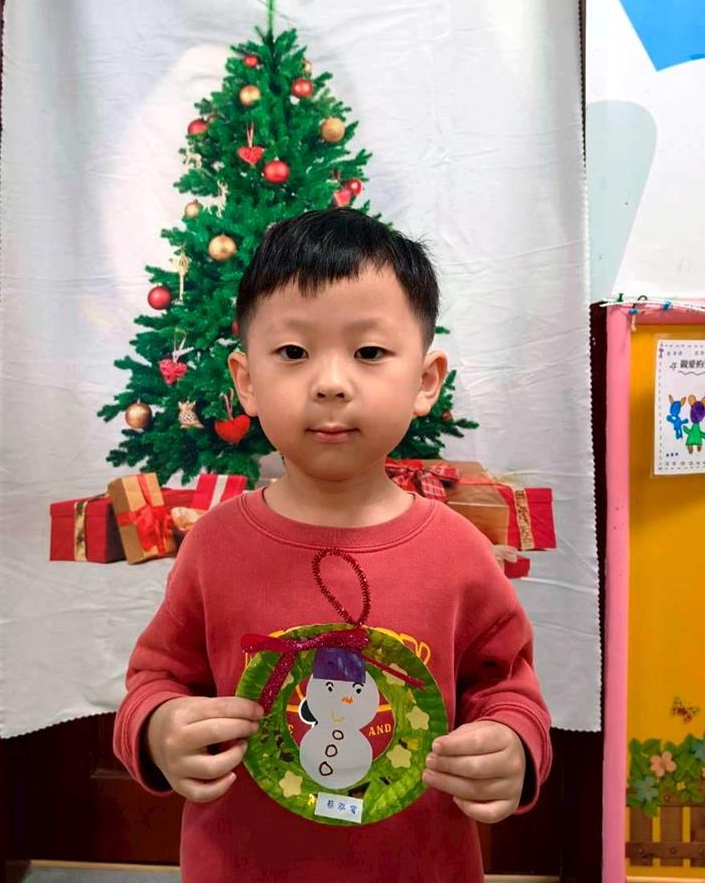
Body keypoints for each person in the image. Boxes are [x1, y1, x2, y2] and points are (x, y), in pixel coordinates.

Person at [113, 207, 552, 882]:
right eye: (293, 353)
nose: (330, 382)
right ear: (246, 381)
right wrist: (158, 728)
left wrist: (513, 747)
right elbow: (155, 679)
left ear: (426, 381)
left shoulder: (459, 553)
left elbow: (507, 688)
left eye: (369, 352)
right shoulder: (215, 546)